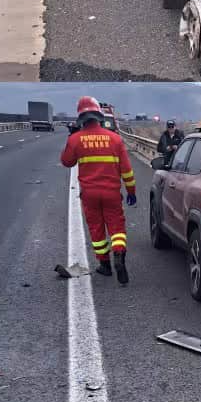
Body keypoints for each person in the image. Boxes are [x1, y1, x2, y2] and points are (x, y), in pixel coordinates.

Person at [61, 96, 137, 285]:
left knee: (97, 229)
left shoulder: (76, 139)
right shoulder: (115, 139)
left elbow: (66, 161)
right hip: (112, 193)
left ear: (80, 118)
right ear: (99, 116)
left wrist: (71, 137)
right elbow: (126, 170)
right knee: (117, 227)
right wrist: (131, 191)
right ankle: (119, 254)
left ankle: (105, 265)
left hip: (89, 195)